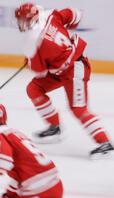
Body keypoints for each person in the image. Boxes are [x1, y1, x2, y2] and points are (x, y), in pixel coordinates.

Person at [15, 2, 113, 158]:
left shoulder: (31, 41)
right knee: (34, 88)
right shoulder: (50, 15)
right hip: (62, 69)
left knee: (78, 108)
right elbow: (75, 15)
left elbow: (40, 72)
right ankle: (54, 127)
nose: (22, 24)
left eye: (24, 21)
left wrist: (31, 61)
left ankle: (105, 143)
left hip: (75, 70)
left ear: (33, 19)